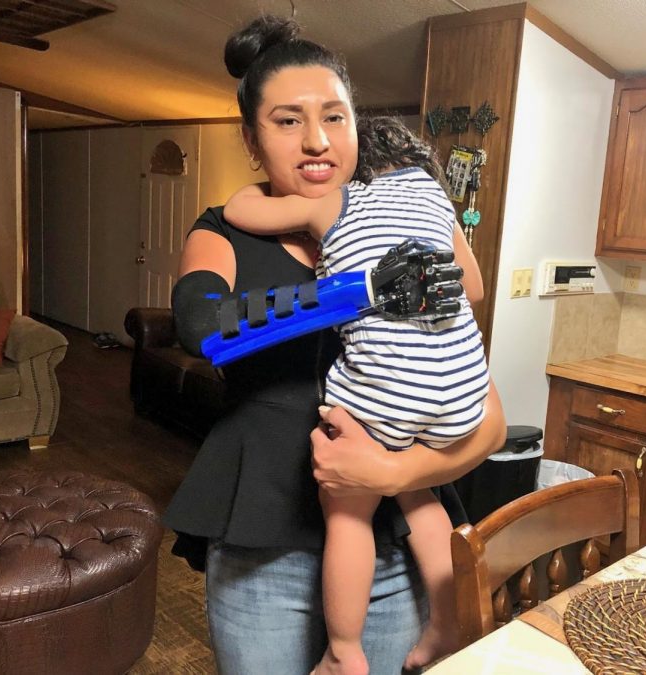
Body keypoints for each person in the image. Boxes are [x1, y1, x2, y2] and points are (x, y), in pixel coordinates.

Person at [164, 14, 506, 675]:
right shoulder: (226, 231)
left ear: (356, 124)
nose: (316, 139)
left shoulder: (401, 213)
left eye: (335, 117)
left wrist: (394, 474)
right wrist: (363, 291)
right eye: (288, 120)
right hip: (267, 553)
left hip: (392, 548)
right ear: (252, 138)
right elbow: (202, 328)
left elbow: (487, 421)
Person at [222, 115, 490, 674]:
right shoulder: (433, 194)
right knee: (422, 496)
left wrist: (261, 189)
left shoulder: (333, 200)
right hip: (462, 384)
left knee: (349, 509)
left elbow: (240, 212)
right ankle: (445, 624)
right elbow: (475, 284)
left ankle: (344, 651)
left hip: (387, 390)